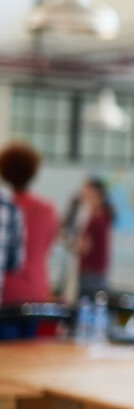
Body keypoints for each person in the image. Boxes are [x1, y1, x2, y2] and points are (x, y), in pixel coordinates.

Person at [0, 142, 59, 339]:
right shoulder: (48, 210)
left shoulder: (5, 207)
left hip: (7, 293)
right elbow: (47, 249)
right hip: (37, 290)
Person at [70, 178, 116, 297]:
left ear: (95, 192)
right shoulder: (103, 216)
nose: (83, 193)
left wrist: (69, 242)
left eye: (86, 190)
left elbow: (84, 247)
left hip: (90, 275)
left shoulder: (96, 219)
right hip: (97, 274)